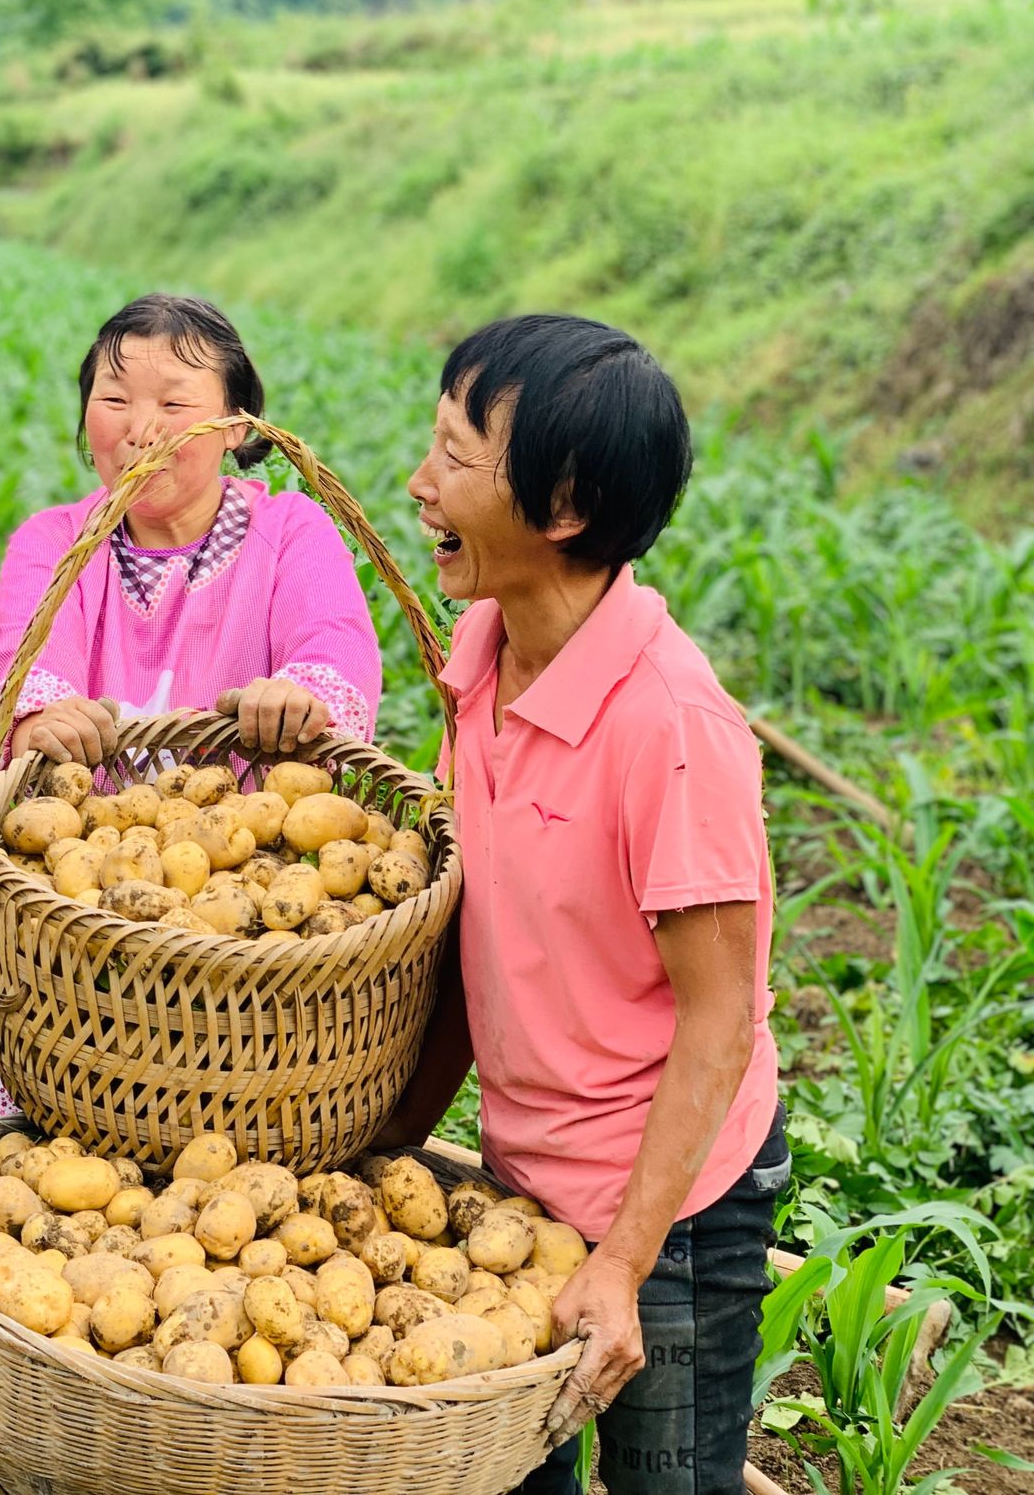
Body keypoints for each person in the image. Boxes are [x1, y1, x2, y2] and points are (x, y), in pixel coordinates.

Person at [372, 314, 787, 1495]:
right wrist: (387, 1137)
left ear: (560, 505)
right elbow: (478, 938)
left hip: (671, 1205)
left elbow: (721, 1022)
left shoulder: (670, 729)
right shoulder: (480, 649)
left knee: (667, 1482)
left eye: (453, 458)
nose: (418, 485)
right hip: (525, 1177)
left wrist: (620, 1262)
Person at [0, 293, 383, 1124]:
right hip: (85, 919)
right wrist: (41, 720)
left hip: (253, 929)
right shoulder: (54, 541)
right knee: (39, 1125)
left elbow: (336, 648)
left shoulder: (290, 530)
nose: (141, 427)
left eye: (176, 404)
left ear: (234, 426)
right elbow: (19, 659)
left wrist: (296, 696)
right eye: (114, 399)